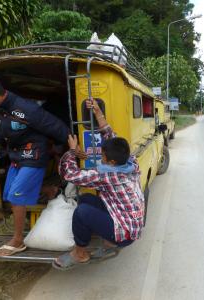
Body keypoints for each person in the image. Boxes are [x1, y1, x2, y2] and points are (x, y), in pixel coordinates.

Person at [0, 73, 70, 256]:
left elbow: (56, 126)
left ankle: (18, 241)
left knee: (17, 197)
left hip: (34, 155)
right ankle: (49, 190)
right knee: (9, 194)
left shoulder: (26, 108)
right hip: (17, 157)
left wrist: (72, 145)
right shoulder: (1, 109)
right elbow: (3, 131)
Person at [53, 98, 144, 270]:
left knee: (82, 212)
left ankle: (80, 254)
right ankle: (107, 239)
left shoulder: (107, 175)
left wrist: (72, 151)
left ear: (110, 161)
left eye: (102, 156)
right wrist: (97, 111)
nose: (100, 157)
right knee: (86, 198)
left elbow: (69, 174)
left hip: (125, 234)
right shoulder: (131, 162)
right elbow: (110, 135)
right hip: (130, 224)